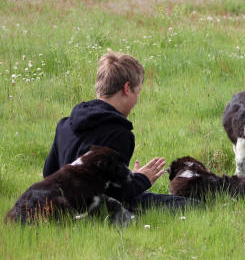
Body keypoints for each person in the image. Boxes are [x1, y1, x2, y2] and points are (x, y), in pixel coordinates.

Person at [43, 50, 195, 212]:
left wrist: (128, 177)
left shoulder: (65, 124)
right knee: (192, 206)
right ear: (127, 88)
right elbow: (116, 194)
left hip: (62, 208)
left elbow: (48, 173)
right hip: (95, 211)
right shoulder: (119, 134)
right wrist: (142, 179)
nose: (137, 99)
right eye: (138, 92)